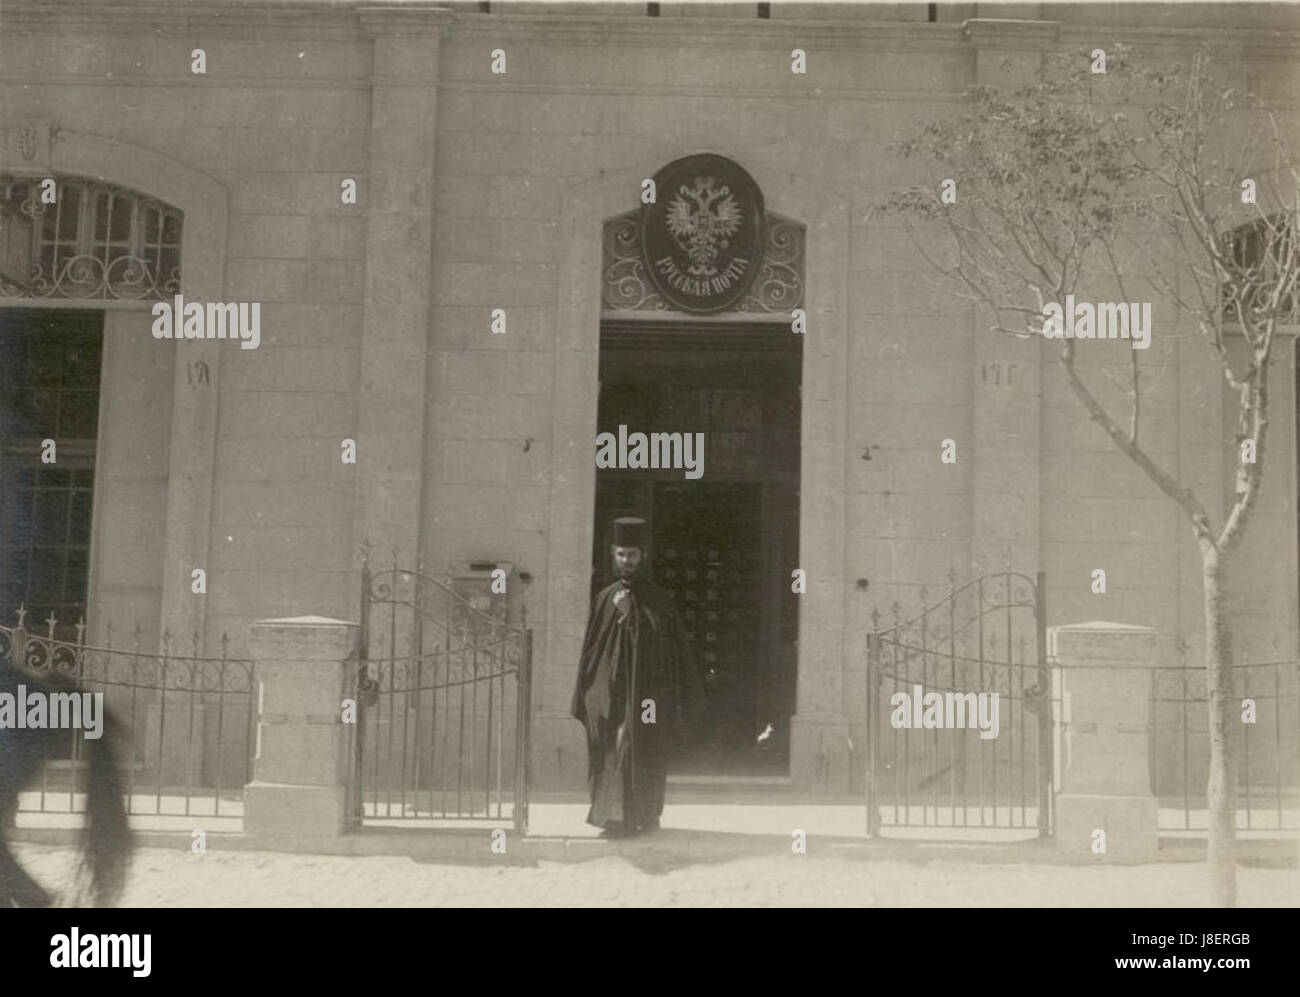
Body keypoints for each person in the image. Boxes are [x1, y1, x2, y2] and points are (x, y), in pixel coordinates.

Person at [571, 517, 705, 835]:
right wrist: (592, 693)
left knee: (644, 748)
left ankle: (644, 815)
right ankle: (612, 818)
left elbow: (673, 652)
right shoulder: (605, 599)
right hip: (612, 693)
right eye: (621, 555)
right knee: (611, 748)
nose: (626, 561)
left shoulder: (659, 600)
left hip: (648, 697)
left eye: (632, 555)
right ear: (612, 556)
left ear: (641, 557)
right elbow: (591, 651)